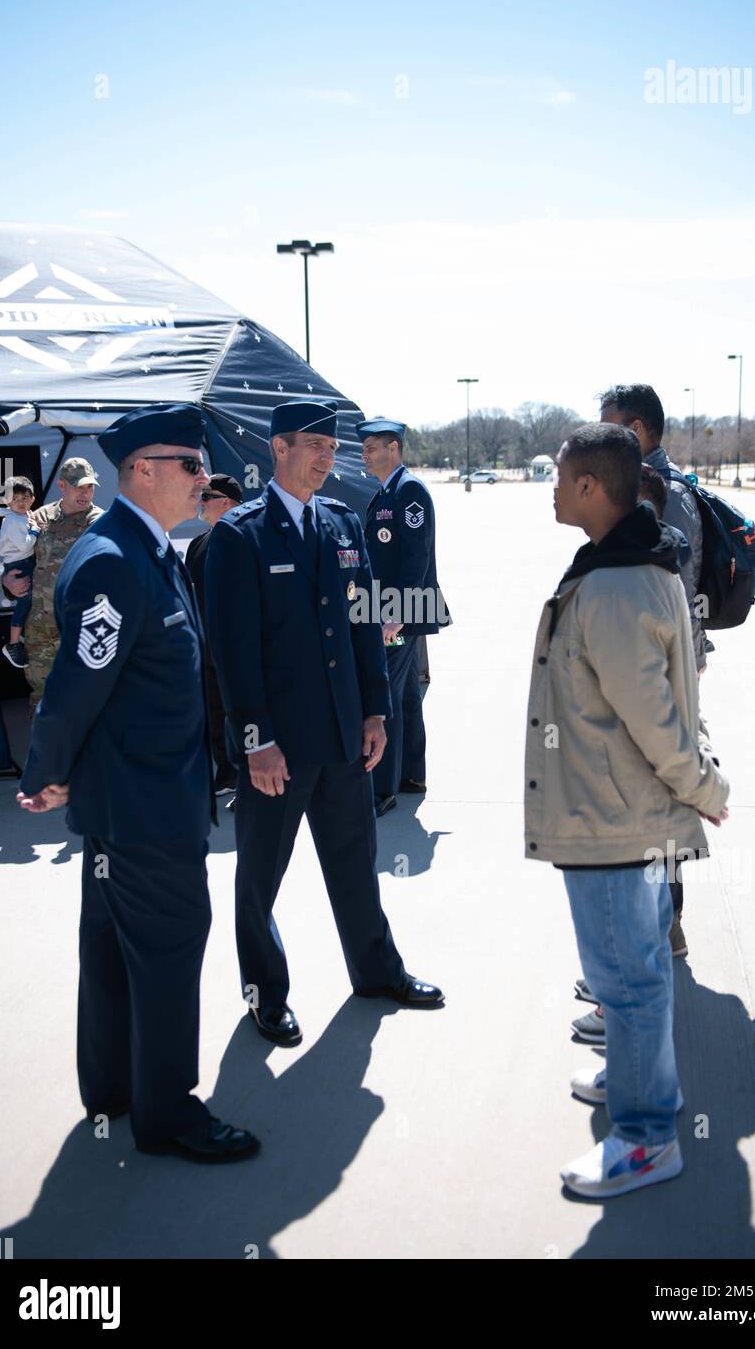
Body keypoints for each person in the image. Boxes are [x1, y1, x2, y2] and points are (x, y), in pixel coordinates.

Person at [17, 403, 259, 1165]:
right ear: (141, 472)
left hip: (140, 799)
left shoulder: (146, 550)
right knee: (166, 949)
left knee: (115, 947)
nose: (202, 479)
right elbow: (77, 686)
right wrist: (47, 774)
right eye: (188, 465)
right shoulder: (116, 561)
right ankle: (166, 1113)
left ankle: (114, 1088)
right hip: (143, 807)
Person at [524, 423, 729, 1198]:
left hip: (612, 822)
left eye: (559, 476)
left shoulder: (612, 587)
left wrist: (705, 792)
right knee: (632, 974)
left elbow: (656, 721)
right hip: (617, 814)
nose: (550, 488)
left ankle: (645, 1139)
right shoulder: (641, 563)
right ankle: (638, 1081)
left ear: (590, 488)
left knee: (627, 980)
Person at [204, 398, 444, 1049]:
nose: (326, 457)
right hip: (278, 749)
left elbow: (366, 625)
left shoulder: (341, 523)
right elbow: (232, 651)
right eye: (313, 446)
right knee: (259, 879)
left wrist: (375, 711)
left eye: (331, 447)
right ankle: (265, 995)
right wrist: (256, 741)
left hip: (342, 736)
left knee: (355, 862)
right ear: (278, 449)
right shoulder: (239, 535)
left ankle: (376, 972)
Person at [600, 384, 708, 960]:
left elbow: (672, 601)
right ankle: (659, 930)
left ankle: (663, 930)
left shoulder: (667, 498)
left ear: (638, 431)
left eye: (611, 428)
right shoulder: (637, 492)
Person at [357, 417, 450, 816]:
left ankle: (382, 788)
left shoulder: (408, 491)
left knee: (386, 694)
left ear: (393, 448)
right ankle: (411, 774)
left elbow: (417, 555)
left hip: (400, 613)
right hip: (394, 609)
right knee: (407, 693)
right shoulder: (386, 493)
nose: (365, 454)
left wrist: (396, 614)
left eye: (372, 447)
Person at [0, 457, 104, 710]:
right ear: (61, 485)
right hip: (41, 629)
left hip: (83, 628)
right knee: (44, 699)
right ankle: (46, 750)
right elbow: (17, 558)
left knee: (87, 700)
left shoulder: (103, 522)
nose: (85, 493)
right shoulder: (38, 517)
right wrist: (7, 582)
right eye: (79, 486)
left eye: (89, 487)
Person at [185, 473, 243, 797]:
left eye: (206, 497)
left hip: (236, 644)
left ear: (224, 502)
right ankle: (227, 771)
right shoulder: (198, 543)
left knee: (240, 709)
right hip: (205, 643)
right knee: (213, 709)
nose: (200, 502)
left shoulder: (247, 538)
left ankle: (245, 770)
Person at [0, 475, 39, 669]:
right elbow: (23, 545)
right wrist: (35, 532)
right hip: (19, 564)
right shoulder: (12, 521)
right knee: (24, 601)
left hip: (24, 562)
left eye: (25, 498)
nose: (20, 503)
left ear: (32, 498)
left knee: (28, 602)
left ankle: (18, 638)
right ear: (7, 501)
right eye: (15, 499)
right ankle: (12, 644)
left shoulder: (25, 516)